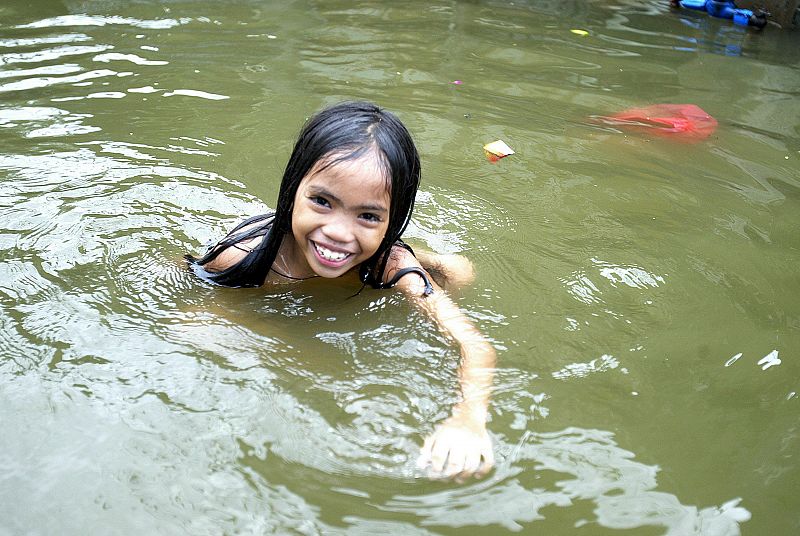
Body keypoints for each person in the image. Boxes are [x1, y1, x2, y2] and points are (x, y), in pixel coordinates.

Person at [187, 101, 496, 478]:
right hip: (273, 242)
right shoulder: (239, 259)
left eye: (368, 216)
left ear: (392, 221)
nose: (338, 231)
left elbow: (474, 345)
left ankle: (433, 260)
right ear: (292, 191)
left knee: (461, 274)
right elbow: (187, 310)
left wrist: (468, 419)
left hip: (376, 260)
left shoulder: (390, 267)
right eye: (322, 201)